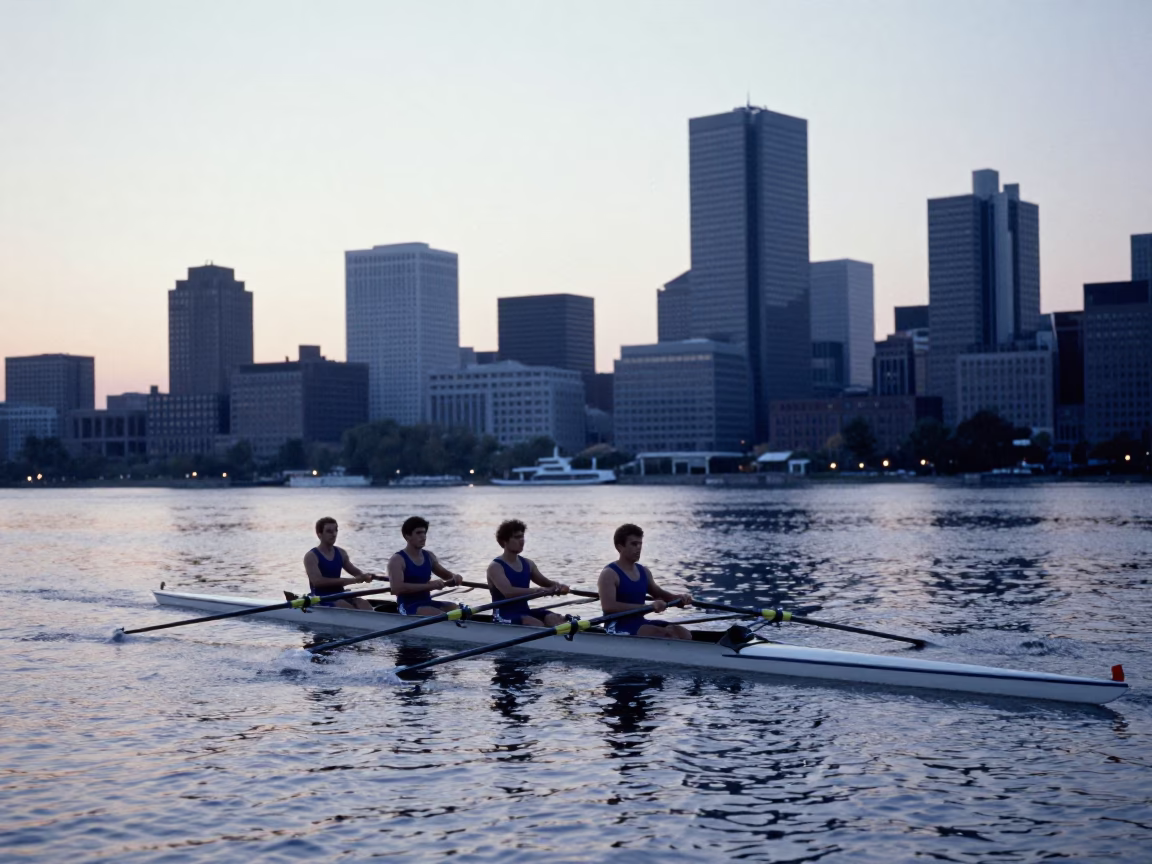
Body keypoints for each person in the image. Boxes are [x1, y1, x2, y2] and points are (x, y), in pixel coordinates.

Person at [597, 523, 693, 639]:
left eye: (640, 544)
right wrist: (648, 606)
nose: (638, 548)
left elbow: (659, 595)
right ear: (620, 547)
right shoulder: (609, 574)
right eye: (634, 544)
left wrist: (678, 598)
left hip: (639, 622)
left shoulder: (644, 572)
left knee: (683, 633)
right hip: (617, 625)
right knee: (664, 634)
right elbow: (608, 606)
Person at [486, 519, 570, 627]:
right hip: (503, 616)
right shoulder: (495, 567)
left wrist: (558, 586)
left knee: (553, 618)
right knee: (535, 623)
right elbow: (508, 592)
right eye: (517, 537)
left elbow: (546, 583)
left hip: (524, 612)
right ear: (504, 541)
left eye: (522, 536)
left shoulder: (528, 564)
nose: (521, 540)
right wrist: (538, 590)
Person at [387, 516, 463, 616]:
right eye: (418, 533)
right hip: (407, 606)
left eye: (424, 533)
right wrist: (430, 586)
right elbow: (396, 588)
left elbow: (446, 575)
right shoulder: (397, 560)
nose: (423, 537)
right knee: (440, 615)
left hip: (426, 602)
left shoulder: (429, 556)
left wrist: (455, 577)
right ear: (407, 536)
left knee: (457, 608)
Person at [304, 517, 377, 610]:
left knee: (363, 603)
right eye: (329, 531)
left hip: (340, 594)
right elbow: (317, 582)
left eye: (335, 530)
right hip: (321, 597)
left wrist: (365, 576)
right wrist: (353, 580)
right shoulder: (311, 556)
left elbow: (355, 572)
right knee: (343, 605)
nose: (334, 534)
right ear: (319, 534)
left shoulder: (341, 553)